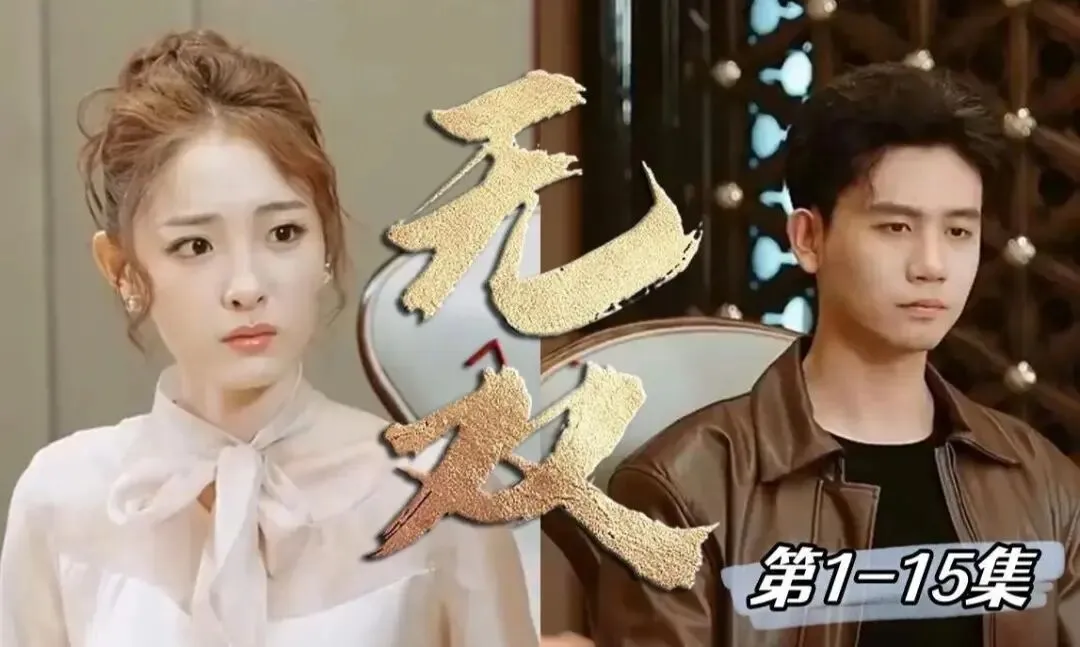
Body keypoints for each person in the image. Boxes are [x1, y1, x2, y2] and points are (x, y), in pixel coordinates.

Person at [0, 30, 539, 647]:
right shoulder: (64, 498)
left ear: (325, 243)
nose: (247, 286)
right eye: (195, 245)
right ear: (123, 270)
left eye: (283, 233)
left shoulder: (440, 497)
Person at [592, 62, 1080, 646]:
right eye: (895, 227)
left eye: (958, 232)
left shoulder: (1040, 481)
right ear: (808, 238)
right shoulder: (681, 489)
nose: (932, 265)